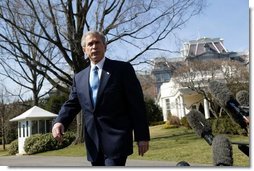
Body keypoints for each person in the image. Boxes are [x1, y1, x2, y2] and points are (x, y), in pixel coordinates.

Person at [52, 31, 150, 166]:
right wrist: (59, 122)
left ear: (105, 46)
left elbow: (136, 105)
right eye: (90, 44)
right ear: (84, 49)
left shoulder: (122, 69)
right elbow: (72, 103)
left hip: (117, 140)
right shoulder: (79, 78)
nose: (94, 46)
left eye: (97, 42)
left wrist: (142, 136)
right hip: (93, 144)